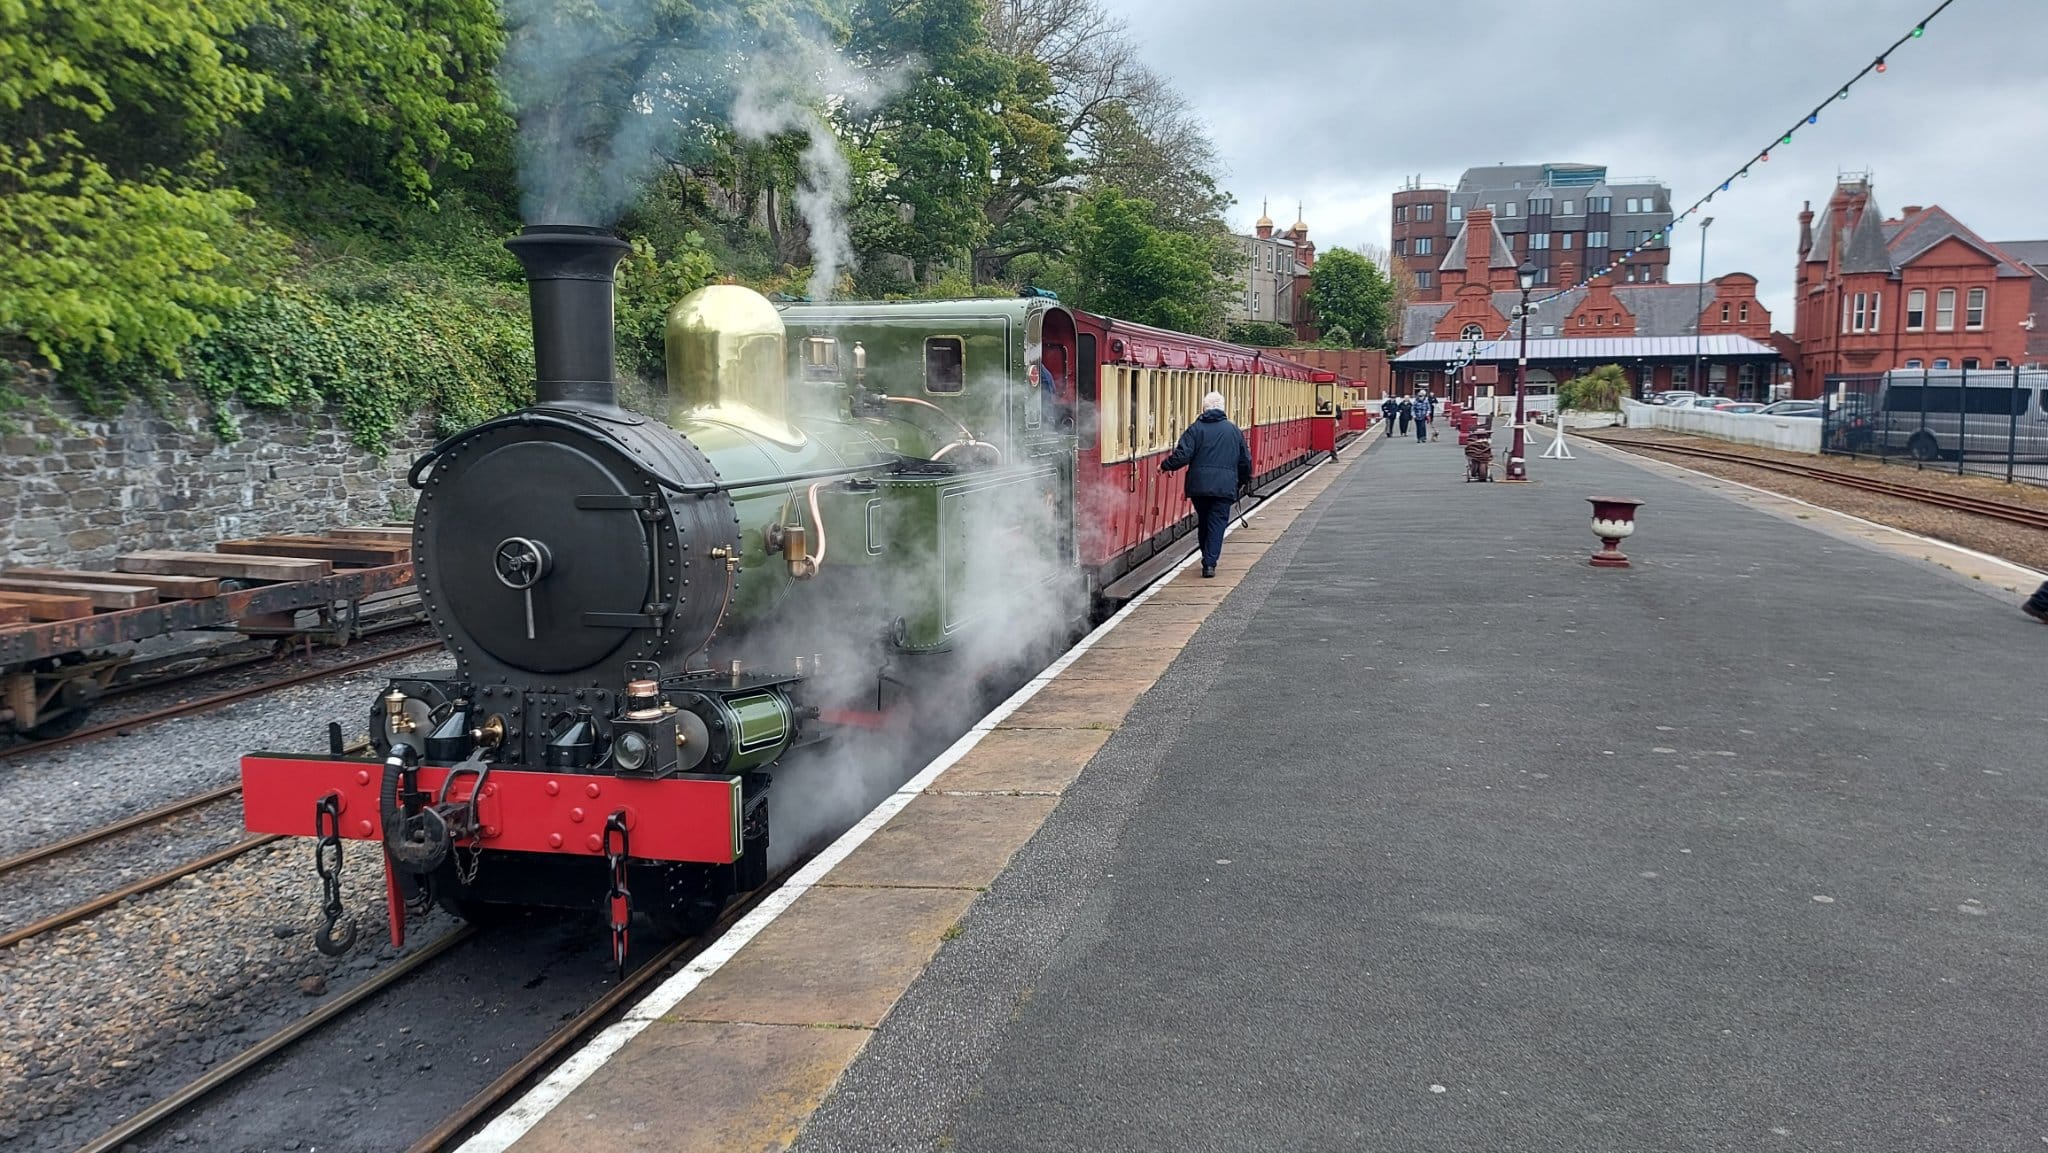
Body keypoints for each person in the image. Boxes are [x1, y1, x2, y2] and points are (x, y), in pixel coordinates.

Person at [1161, 391, 1253, 579]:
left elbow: (1183, 455)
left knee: (1204, 521)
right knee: (1217, 523)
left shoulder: (1195, 429)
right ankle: (1209, 563)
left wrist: (1165, 465)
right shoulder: (1233, 430)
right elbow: (1245, 461)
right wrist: (1243, 480)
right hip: (1225, 487)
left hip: (1199, 486)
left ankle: (1206, 554)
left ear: (1204, 409)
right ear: (1223, 408)